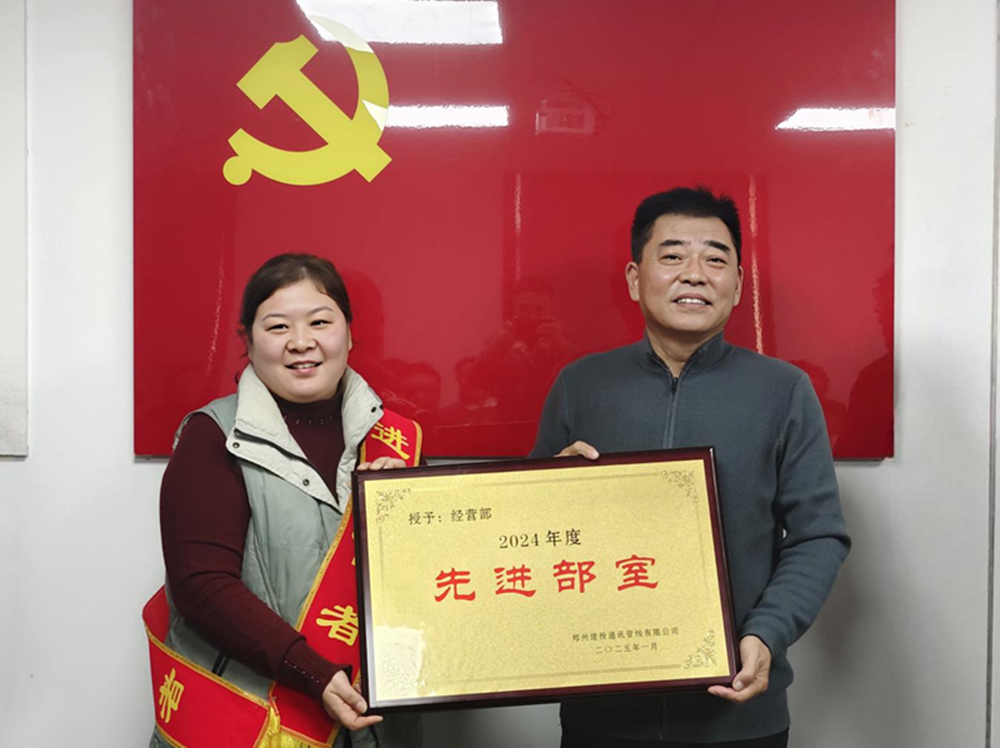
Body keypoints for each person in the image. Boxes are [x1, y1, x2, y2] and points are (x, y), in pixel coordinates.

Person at [530, 187, 851, 748]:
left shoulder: (783, 391)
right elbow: (526, 537)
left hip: (738, 715)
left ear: (738, 285)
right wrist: (544, 491)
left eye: (715, 259)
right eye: (673, 255)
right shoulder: (580, 385)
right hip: (603, 711)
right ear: (635, 279)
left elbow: (818, 535)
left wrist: (766, 633)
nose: (695, 274)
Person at [145, 254, 422, 748]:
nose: (301, 341)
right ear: (248, 341)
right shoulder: (213, 436)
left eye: (320, 322)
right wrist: (313, 672)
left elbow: (439, 583)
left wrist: (414, 517)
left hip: (376, 728)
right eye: (278, 327)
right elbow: (201, 585)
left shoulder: (395, 443)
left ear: (349, 334)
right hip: (257, 722)